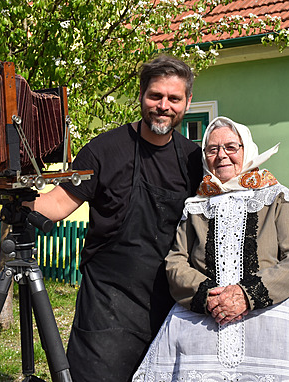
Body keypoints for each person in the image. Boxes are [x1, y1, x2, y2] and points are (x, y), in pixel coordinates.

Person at [133, 116, 289, 382]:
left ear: (246, 148)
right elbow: (176, 262)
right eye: (212, 149)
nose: (221, 156)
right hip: (204, 316)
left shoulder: (277, 197)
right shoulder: (196, 205)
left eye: (231, 147)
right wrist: (210, 298)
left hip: (273, 316)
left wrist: (245, 295)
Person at [34, 55, 203, 382]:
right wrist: (17, 197)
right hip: (108, 304)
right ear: (141, 95)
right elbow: (57, 203)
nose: (163, 106)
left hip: (172, 304)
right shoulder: (104, 150)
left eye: (174, 98)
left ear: (187, 102)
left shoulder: (194, 159)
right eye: (155, 96)